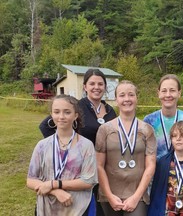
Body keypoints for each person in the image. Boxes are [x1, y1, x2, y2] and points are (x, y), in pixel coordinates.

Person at [39, 68, 117, 215]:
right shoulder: (76, 106)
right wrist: (64, 148)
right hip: (80, 167)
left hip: (104, 167)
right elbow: (45, 126)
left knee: (102, 206)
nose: (96, 87)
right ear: (85, 87)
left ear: (105, 87)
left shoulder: (110, 111)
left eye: (100, 84)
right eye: (92, 83)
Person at [27, 94, 97, 215]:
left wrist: (55, 184)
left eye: (67, 112)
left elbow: (89, 181)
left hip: (77, 209)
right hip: (47, 208)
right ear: (51, 114)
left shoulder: (86, 145)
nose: (61, 116)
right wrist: (56, 191)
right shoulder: (42, 145)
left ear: (76, 115)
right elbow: (31, 180)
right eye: (57, 112)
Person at [96, 80, 157, 216]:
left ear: (136, 98)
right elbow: (99, 165)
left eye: (131, 95)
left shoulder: (147, 130)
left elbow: (150, 165)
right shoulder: (104, 130)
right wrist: (110, 196)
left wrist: (136, 197)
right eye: (122, 95)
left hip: (136, 194)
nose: (127, 99)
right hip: (109, 195)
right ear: (116, 100)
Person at [148, 121, 183, 216]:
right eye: (174, 136)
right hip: (168, 211)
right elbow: (157, 192)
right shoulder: (162, 163)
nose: (178, 139)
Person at [143, 74, 183, 161]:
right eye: (164, 91)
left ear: (179, 93)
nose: (168, 95)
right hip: (156, 171)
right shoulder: (149, 121)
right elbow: (145, 152)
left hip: (182, 171)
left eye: (172, 90)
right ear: (158, 93)